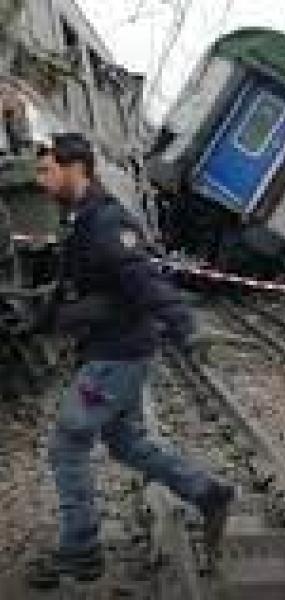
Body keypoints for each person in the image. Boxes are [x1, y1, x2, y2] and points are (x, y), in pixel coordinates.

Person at [27, 133, 235, 588]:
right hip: (111, 349)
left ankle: (80, 551)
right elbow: (81, 288)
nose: (39, 180)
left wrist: (186, 327)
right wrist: (44, 320)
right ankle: (209, 493)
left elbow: (146, 283)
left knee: (68, 443)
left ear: (75, 168)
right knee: (124, 443)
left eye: (46, 170)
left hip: (116, 355)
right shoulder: (81, 217)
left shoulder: (107, 224)